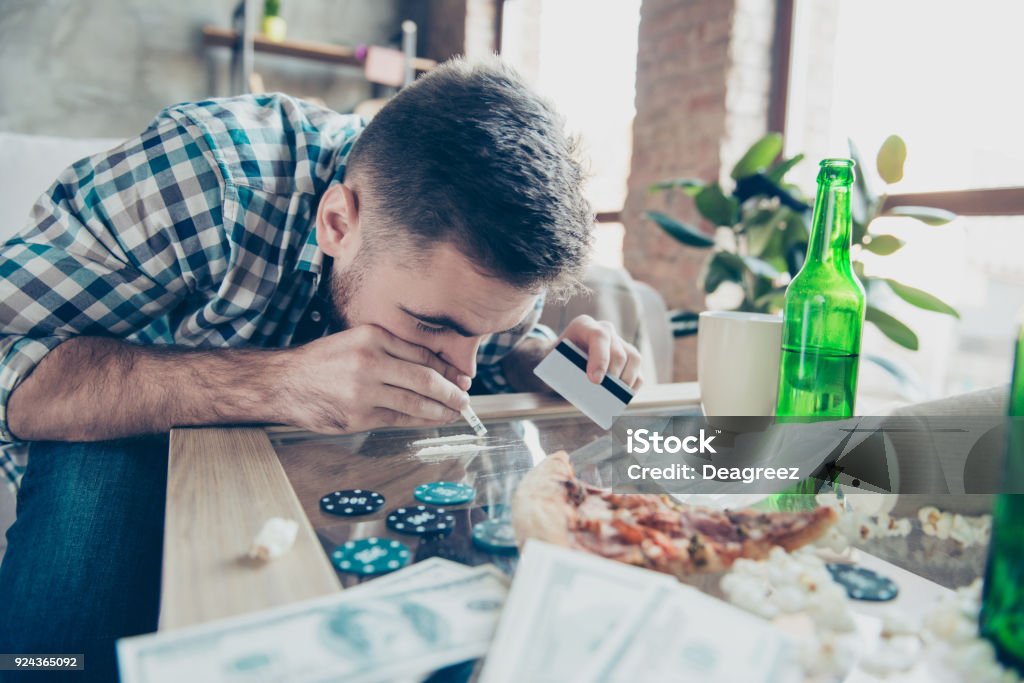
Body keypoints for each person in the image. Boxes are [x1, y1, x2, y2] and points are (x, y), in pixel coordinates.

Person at [0, 57, 643, 680]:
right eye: (434, 326)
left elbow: (498, 355)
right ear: (338, 222)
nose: (464, 371)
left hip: (321, 478)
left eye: (486, 330)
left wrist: (551, 363)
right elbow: (13, 356)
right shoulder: (209, 174)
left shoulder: (463, 273)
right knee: (60, 655)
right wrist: (280, 382)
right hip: (126, 437)